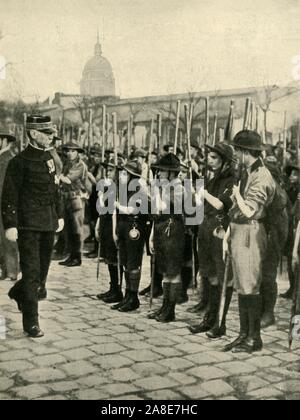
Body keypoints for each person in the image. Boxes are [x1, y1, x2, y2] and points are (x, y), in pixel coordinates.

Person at [2, 115, 64, 338]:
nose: (51, 138)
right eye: (47, 134)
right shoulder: (18, 162)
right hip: (27, 226)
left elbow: (55, 189)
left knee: (41, 276)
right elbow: (9, 196)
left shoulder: (49, 159)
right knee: (31, 274)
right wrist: (10, 224)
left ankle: (19, 293)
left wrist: (60, 214)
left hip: (48, 223)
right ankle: (32, 323)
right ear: (34, 134)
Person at [223, 130, 275, 354]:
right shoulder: (247, 172)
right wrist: (227, 234)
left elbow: (249, 210)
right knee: (241, 286)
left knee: (250, 286)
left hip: (250, 232)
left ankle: (254, 338)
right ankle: (244, 334)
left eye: (237, 150)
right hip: (238, 230)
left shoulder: (262, 176)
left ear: (246, 152)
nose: (235, 154)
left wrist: (237, 196)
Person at [189, 143, 235, 337]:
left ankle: (220, 323)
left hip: (220, 231)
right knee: (210, 275)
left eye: (214, 157)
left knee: (223, 276)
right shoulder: (212, 177)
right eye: (209, 156)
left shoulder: (232, 180)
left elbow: (219, 205)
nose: (209, 160)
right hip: (206, 230)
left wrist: (203, 192)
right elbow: (201, 203)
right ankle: (209, 318)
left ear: (224, 161)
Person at [148, 153, 188, 322]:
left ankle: (170, 309)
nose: (158, 174)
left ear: (171, 173)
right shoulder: (164, 187)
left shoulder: (178, 188)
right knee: (165, 270)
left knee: (172, 271)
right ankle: (164, 305)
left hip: (173, 231)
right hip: (161, 228)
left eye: (162, 171)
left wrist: (154, 193)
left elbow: (165, 207)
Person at [112, 160, 149, 312]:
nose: (122, 175)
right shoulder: (123, 189)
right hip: (123, 225)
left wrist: (117, 205)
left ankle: (133, 297)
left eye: (125, 173)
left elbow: (133, 210)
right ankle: (127, 295)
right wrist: (115, 229)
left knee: (133, 263)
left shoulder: (140, 189)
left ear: (133, 175)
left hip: (135, 227)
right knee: (126, 262)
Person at [59, 141, 94, 267]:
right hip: (67, 198)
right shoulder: (67, 164)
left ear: (78, 152)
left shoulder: (80, 165)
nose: (69, 153)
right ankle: (71, 255)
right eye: (67, 151)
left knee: (77, 230)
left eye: (73, 151)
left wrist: (56, 174)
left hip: (76, 198)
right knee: (69, 229)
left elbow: (67, 180)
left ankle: (77, 257)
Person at [95, 158, 123, 304]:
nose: (108, 172)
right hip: (105, 222)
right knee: (108, 257)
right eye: (107, 170)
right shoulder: (107, 186)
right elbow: (101, 209)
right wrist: (98, 224)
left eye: (111, 170)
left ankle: (118, 290)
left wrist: (114, 231)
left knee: (115, 257)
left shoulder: (120, 188)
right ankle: (112, 287)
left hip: (115, 224)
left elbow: (115, 212)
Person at [0, 134, 19, 281]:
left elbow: (4, 185)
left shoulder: (8, 158)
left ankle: (11, 270)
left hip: (5, 203)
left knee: (8, 237)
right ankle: (6, 269)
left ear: (5, 141)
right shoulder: (3, 156)